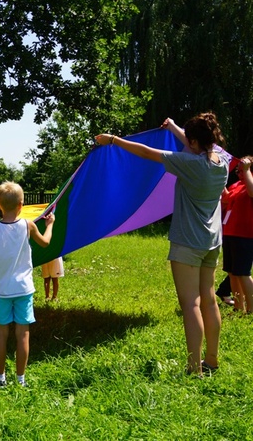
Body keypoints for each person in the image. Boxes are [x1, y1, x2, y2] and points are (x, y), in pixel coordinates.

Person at [95, 111, 228, 376]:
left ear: (192, 142)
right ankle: (211, 360)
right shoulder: (221, 162)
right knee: (209, 301)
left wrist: (114, 140)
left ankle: (194, 369)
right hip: (211, 243)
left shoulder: (189, 164)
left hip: (187, 243)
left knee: (190, 304)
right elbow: (195, 145)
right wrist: (174, 128)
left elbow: (147, 152)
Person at [0, 181, 55, 388]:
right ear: (21, 205)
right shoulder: (28, 225)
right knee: (23, 334)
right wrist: (51, 224)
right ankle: (21, 380)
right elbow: (45, 243)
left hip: (1, 290)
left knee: (1, 334)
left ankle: (0, 378)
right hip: (24, 289)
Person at [221, 156, 253, 312]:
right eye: (238, 171)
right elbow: (225, 200)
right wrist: (220, 181)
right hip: (229, 232)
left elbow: (252, 192)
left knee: (242, 273)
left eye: (242, 170)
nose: (239, 173)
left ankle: (251, 309)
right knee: (232, 273)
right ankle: (239, 307)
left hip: (244, 235)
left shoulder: (250, 183)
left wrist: (247, 171)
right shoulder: (237, 185)